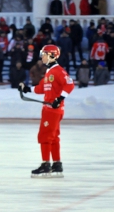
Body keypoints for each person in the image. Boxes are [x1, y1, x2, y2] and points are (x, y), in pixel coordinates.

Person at [19, 45, 75, 178]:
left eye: (44, 54)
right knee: (54, 137)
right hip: (52, 110)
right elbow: (43, 88)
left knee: (44, 136)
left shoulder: (58, 71)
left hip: (52, 110)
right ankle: (57, 164)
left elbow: (70, 84)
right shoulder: (50, 72)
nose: (42, 56)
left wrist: (59, 99)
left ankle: (45, 165)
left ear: (52, 55)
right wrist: (27, 89)